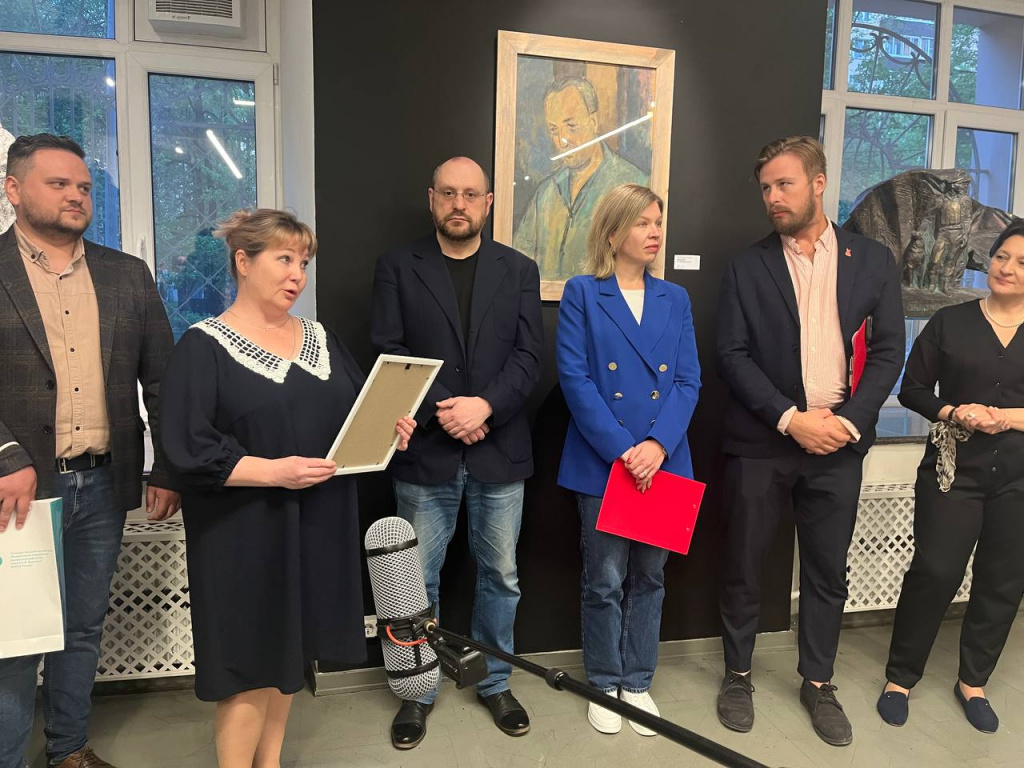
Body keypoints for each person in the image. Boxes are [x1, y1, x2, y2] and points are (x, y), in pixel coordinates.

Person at [158, 209, 415, 768]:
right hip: (243, 533)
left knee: (289, 656)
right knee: (249, 666)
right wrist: (275, 471)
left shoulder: (320, 338)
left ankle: (269, 763)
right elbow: (187, 448)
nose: (297, 274)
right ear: (243, 262)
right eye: (284, 259)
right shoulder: (204, 346)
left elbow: (350, 420)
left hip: (318, 521)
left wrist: (388, 428)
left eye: (303, 262)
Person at [715, 136, 905, 747]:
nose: (773, 197)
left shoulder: (872, 261)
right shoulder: (747, 266)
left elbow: (888, 351)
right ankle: (738, 674)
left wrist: (847, 423)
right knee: (745, 564)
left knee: (827, 571)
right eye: (766, 188)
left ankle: (818, 682)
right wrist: (790, 419)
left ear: (818, 183)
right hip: (763, 442)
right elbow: (732, 354)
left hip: (839, 445)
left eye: (784, 184)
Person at [0, 133, 180, 768]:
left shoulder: (125, 274)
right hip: (17, 493)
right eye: (59, 184)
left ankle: (69, 750)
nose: (77, 195)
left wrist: (169, 466)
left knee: (82, 627)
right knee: (16, 637)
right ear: (13, 189)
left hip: (102, 485)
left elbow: (163, 379)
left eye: (83, 186)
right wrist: (6, 457)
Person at [371, 157, 543, 749]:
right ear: (432, 198)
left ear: (488, 202)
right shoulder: (398, 266)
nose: (459, 204)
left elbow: (529, 357)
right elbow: (389, 348)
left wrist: (484, 407)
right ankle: (416, 691)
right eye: (449, 193)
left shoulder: (518, 269)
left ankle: (495, 681)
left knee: (501, 576)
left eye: (471, 194)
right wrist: (449, 410)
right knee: (413, 582)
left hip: (500, 447)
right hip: (426, 449)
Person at [556, 183, 700, 736]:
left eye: (657, 221)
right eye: (642, 222)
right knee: (604, 580)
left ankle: (637, 682)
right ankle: (603, 681)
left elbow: (687, 381)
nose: (654, 232)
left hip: (664, 460)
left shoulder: (675, 298)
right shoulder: (583, 292)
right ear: (613, 232)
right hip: (605, 461)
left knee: (650, 578)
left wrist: (657, 445)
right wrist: (624, 449)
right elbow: (576, 380)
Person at [877, 221, 1024, 734]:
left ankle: (973, 682)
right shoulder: (951, 321)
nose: (1007, 268)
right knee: (935, 571)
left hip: (1019, 478)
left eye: (1022, 263)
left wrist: (1004, 417)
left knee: (1003, 579)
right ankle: (900, 678)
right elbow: (913, 388)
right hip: (952, 471)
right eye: (1001, 256)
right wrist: (952, 411)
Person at [512, 76, 648, 282]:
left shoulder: (634, 185)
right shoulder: (546, 192)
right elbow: (518, 258)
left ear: (593, 122)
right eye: (554, 129)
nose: (562, 141)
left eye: (571, 126)